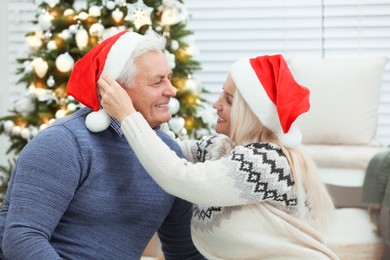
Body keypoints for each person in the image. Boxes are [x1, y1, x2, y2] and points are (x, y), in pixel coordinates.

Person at [98, 54, 340, 259]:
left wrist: (128, 115)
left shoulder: (269, 162)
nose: (216, 104)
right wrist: (147, 110)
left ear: (251, 112)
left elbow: (179, 177)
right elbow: (167, 150)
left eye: (229, 100)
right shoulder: (220, 149)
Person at [0, 30, 203, 259]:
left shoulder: (168, 156)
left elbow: (185, 252)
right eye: (157, 82)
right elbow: (22, 238)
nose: (171, 90)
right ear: (115, 88)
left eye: (168, 78)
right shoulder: (63, 144)